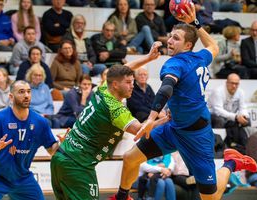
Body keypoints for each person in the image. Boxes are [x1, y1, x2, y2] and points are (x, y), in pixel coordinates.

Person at [113, 4, 257, 200]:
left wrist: (151, 118)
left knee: (210, 198)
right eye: (170, 36)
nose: (170, 41)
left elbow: (166, 89)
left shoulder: (174, 63)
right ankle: (122, 197)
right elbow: (213, 46)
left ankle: (230, 163)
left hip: (197, 136)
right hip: (174, 128)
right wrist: (195, 23)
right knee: (131, 158)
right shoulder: (200, 57)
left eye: (176, 39)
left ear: (188, 45)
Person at [50, 41, 169, 200]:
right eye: (128, 83)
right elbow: (140, 130)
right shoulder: (116, 110)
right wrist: (166, 119)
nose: (132, 86)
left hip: (60, 157)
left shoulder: (102, 89)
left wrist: (148, 58)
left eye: (132, 81)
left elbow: (126, 70)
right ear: (115, 84)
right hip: (78, 166)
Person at [0, 80, 61, 200]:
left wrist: (62, 143)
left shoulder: (40, 122)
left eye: (28, 92)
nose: (26, 95)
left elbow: (52, 150)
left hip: (22, 178)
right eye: (21, 92)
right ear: (11, 96)